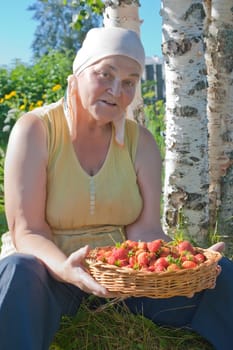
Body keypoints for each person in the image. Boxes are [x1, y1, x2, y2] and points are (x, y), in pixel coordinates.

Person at [0, 26, 231, 350]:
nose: (115, 90)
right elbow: (28, 231)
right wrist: (66, 270)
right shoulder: (36, 130)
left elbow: (146, 230)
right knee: (17, 270)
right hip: (49, 274)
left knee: (220, 272)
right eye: (104, 74)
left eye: (128, 82)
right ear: (79, 71)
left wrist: (190, 259)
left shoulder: (142, 142)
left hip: (122, 281)